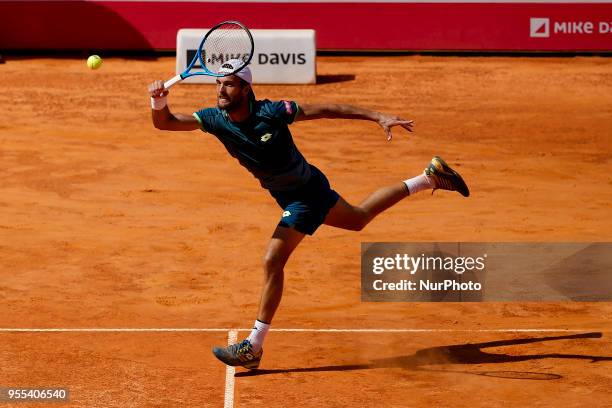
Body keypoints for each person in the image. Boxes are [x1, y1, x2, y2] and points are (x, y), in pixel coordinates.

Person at [147, 59, 469, 370]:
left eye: (229, 84)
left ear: (246, 89)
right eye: (218, 83)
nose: (220, 90)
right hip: (293, 193)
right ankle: (430, 176)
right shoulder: (216, 120)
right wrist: (159, 102)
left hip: (305, 194)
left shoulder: (271, 112)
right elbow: (166, 123)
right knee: (358, 218)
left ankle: (253, 346)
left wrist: (377, 115)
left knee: (273, 258)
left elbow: (326, 109)